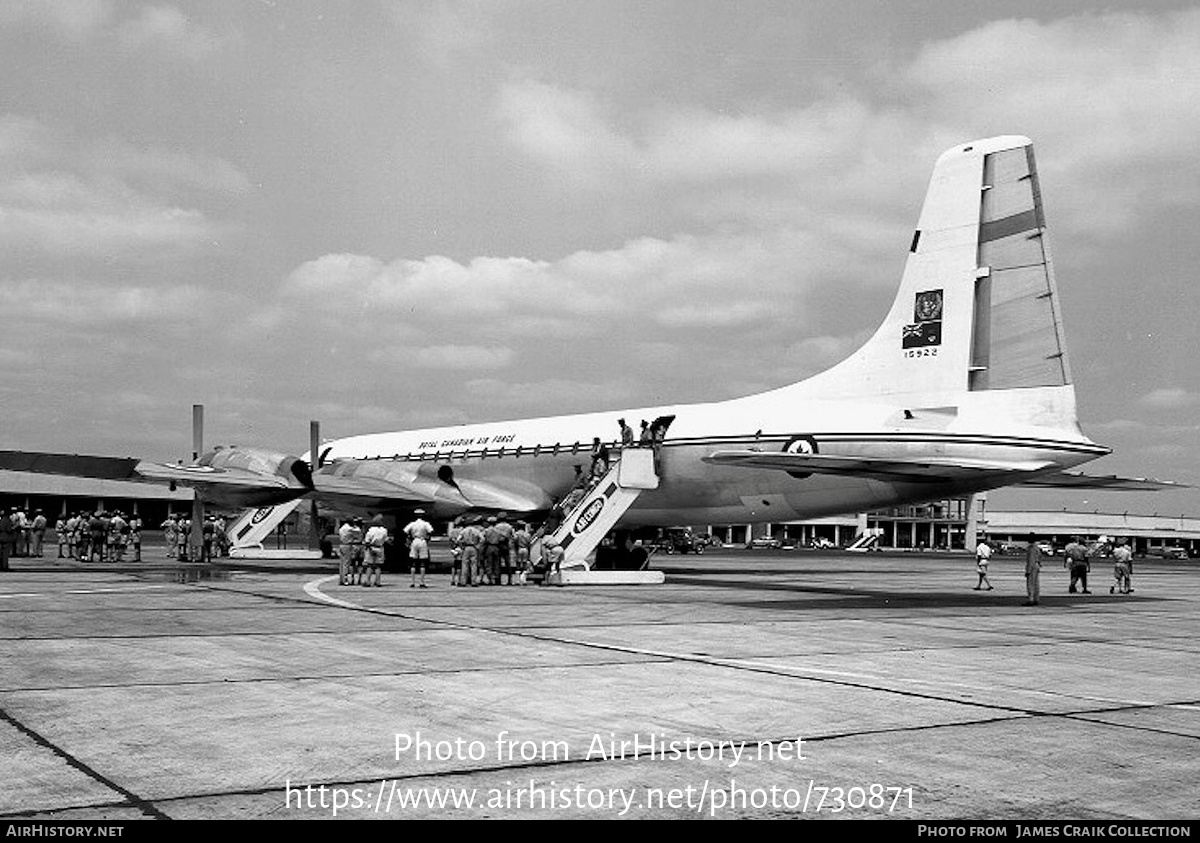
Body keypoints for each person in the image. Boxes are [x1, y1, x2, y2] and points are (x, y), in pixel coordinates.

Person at [403, 509, 434, 588]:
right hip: (422, 541)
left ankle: (412, 582)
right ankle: (422, 582)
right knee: (422, 562)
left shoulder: (412, 524)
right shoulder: (425, 523)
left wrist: (409, 538)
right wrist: (428, 538)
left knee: (413, 561)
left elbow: (405, 531)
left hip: (414, 540)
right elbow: (431, 531)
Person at [362, 516, 389, 587]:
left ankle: (368, 581)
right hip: (380, 548)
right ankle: (378, 581)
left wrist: (369, 549)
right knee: (378, 566)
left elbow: (367, 541)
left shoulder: (371, 530)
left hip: (371, 547)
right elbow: (386, 539)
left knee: (369, 566)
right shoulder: (384, 530)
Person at [459, 517, 483, 587]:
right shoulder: (476, 531)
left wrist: (462, 546)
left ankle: (463, 581)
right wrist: (478, 546)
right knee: (474, 565)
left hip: (466, 547)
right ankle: (474, 581)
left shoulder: (463, 531)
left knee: (464, 565)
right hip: (474, 547)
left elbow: (458, 539)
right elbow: (482, 539)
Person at [1024, 534, 1042, 606]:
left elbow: (1031, 560)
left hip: (1032, 566)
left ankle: (1031, 599)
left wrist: (1028, 571)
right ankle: (1036, 598)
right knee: (1036, 583)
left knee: (1030, 583)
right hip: (1037, 565)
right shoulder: (1037, 548)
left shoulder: (1031, 548)